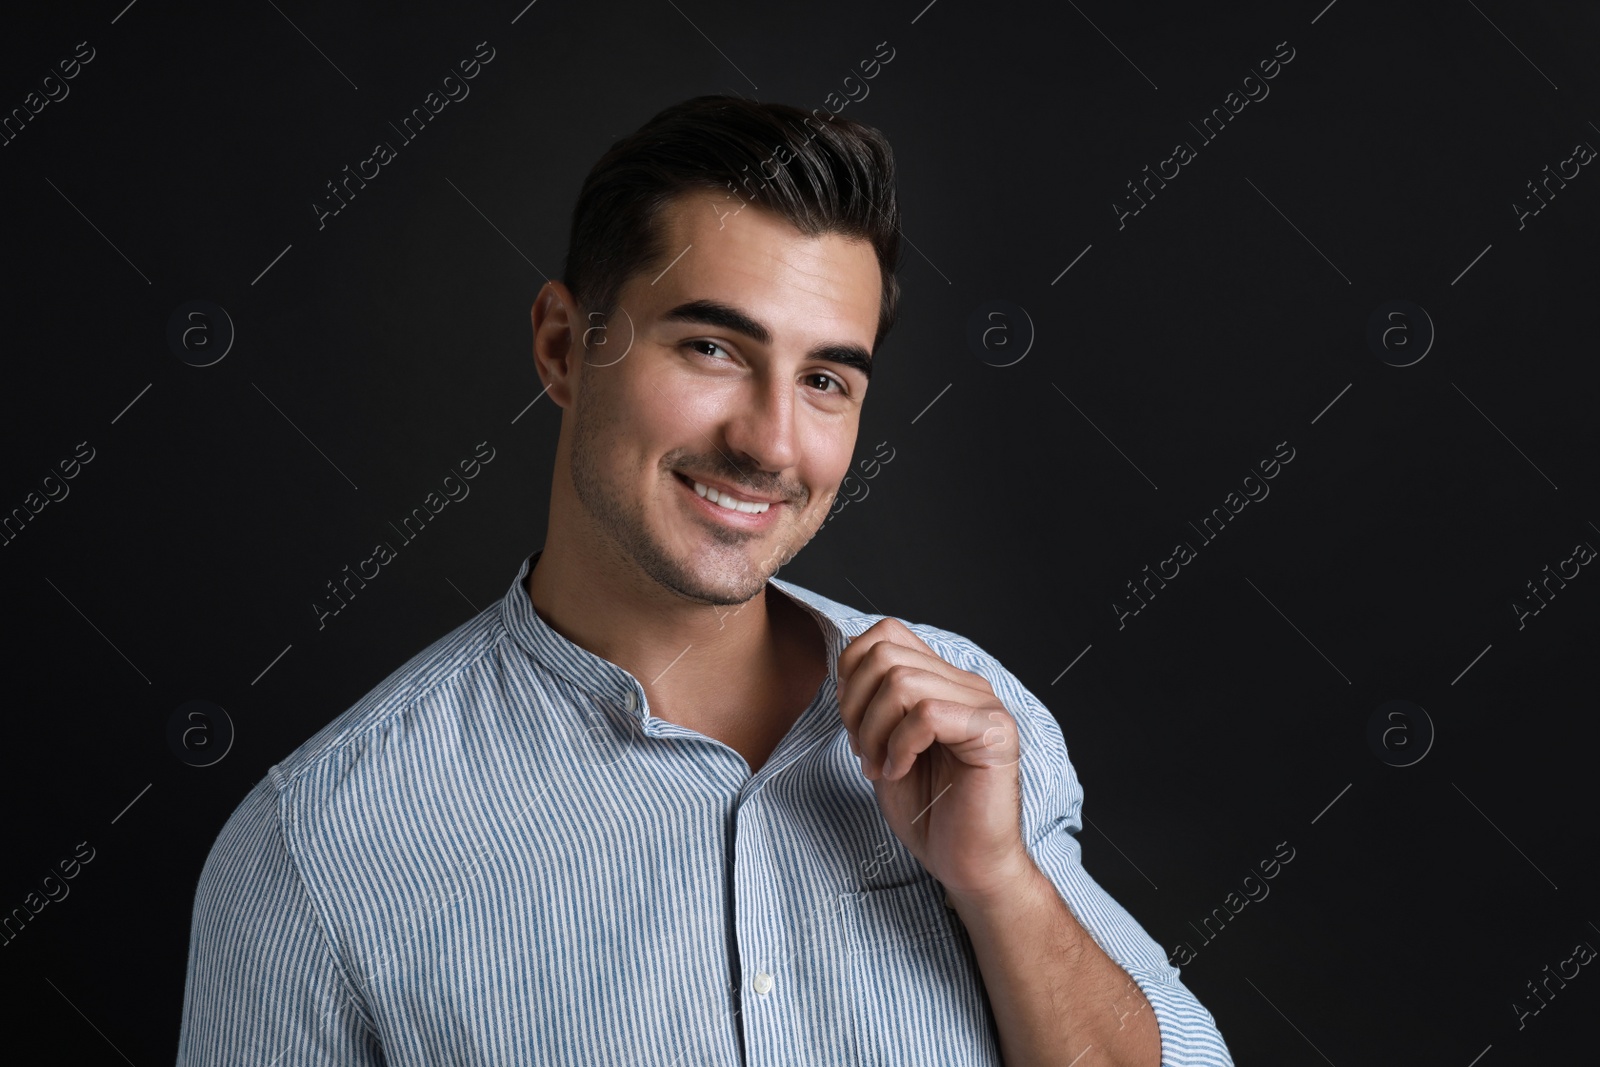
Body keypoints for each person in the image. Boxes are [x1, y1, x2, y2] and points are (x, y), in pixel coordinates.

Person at [176, 95, 1233, 1066]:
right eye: (712, 347)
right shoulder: (316, 850)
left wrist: (998, 883)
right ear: (561, 345)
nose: (770, 440)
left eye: (825, 378)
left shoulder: (969, 718)